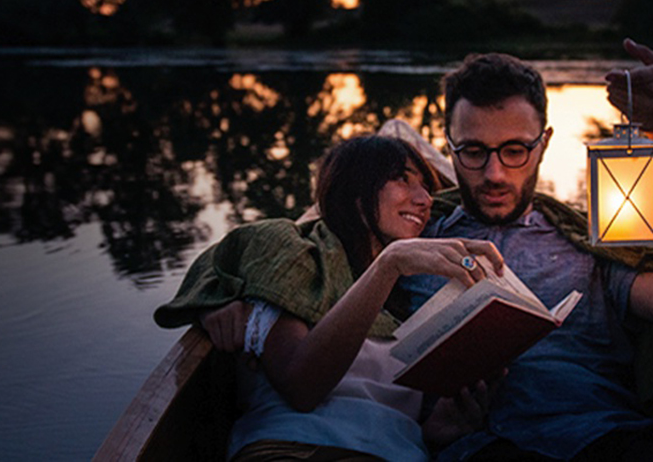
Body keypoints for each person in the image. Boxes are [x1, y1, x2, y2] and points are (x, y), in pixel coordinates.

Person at [198, 40, 653, 462]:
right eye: (473, 151)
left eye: (514, 150)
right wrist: (243, 301)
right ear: (448, 141)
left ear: (544, 144)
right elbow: (302, 254)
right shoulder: (409, 236)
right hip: (479, 448)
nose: (493, 174)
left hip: (610, 437)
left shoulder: (587, 243)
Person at [154, 135, 508, 461]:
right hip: (293, 450)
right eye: (403, 178)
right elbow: (302, 386)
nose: (424, 198)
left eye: (426, 186)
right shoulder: (298, 257)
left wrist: (434, 431)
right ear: (355, 192)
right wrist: (388, 265)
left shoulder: (413, 291)